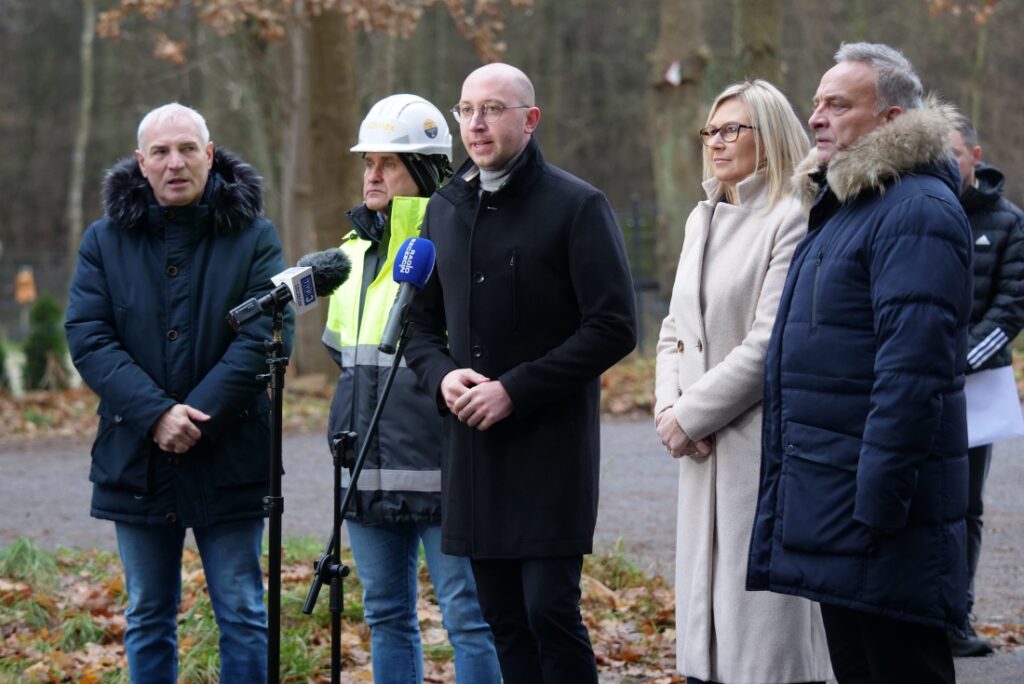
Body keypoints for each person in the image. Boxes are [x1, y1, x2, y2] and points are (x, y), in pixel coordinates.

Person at [403, 63, 637, 683]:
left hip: (548, 452)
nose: (476, 124)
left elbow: (614, 326)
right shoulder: (444, 209)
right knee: (501, 617)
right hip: (472, 451)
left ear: (529, 121)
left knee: (549, 614)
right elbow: (418, 327)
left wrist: (516, 390)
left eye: (493, 109)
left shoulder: (578, 205)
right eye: (466, 110)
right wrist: (441, 378)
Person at [746, 43, 972, 683]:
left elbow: (912, 376)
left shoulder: (915, 211)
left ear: (893, 120)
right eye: (816, 101)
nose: (816, 116)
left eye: (838, 104)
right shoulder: (848, 208)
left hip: (878, 515)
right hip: (835, 501)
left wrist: (875, 505)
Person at [65, 103, 293, 684]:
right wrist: (156, 414)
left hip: (231, 454)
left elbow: (269, 332)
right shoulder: (104, 241)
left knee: (242, 611)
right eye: (161, 153)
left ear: (209, 155)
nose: (175, 163)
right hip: (136, 459)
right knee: (146, 614)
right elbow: (89, 337)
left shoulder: (255, 236)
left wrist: (196, 417)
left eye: (188, 149)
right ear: (141, 164)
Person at [654, 80, 833, 684]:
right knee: (708, 639)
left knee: (764, 641)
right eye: (711, 130)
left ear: (772, 134)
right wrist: (666, 408)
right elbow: (674, 328)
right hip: (700, 448)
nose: (717, 142)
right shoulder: (700, 218)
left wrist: (689, 416)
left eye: (734, 129)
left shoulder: (792, 216)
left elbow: (770, 342)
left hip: (757, 447)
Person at [321, 93, 500, 683]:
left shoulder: (458, 243)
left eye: (388, 163)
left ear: (423, 170)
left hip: (443, 468)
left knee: (468, 616)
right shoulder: (350, 256)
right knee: (385, 614)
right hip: (365, 468)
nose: (372, 175)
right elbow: (343, 357)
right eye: (367, 162)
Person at [948, 112, 1024, 657]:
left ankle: (955, 617)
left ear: (975, 156)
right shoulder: (908, 210)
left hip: (976, 390)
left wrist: (957, 359)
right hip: (910, 383)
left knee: (964, 506)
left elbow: (1011, 305)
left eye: (953, 152)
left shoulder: (1008, 221)